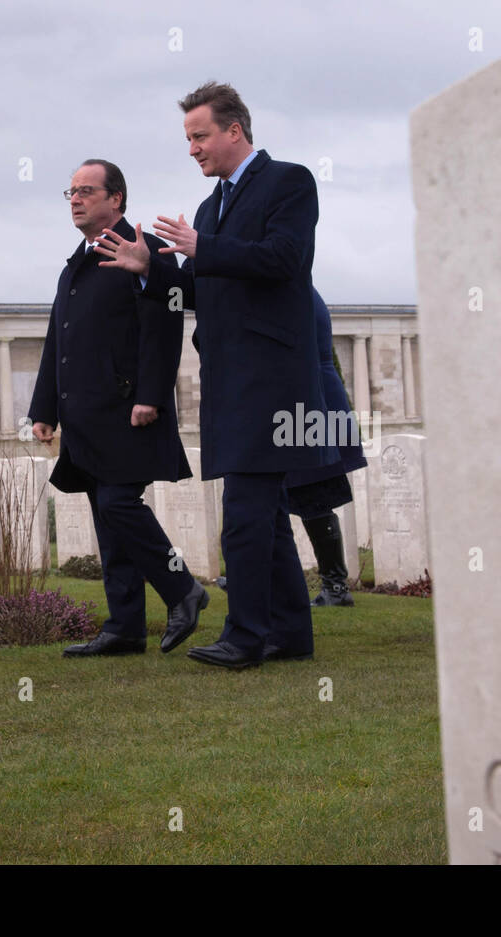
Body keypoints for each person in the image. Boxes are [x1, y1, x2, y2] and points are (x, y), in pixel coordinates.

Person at [96, 82, 337, 669]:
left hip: (274, 378)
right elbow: (199, 292)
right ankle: (291, 634)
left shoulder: (290, 182)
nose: (193, 149)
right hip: (229, 380)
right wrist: (152, 269)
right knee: (267, 515)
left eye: (200, 136)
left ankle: (245, 636)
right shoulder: (209, 208)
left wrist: (204, 246)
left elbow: (286, 260)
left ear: (235, 131)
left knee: (246, 515)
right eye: (187, 139)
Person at [29, 159, 209, 658]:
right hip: (87, 416)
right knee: (107, 519)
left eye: (87, 191)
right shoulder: (77, 263)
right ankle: (124, 628)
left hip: (131, 410)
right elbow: (57, 341)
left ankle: (183, 591)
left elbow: (166, 322)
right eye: (70, 192)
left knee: (117, 505)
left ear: (117, 199)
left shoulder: (143, 250)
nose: (75, 199)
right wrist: (44, 407)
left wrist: (152, 394)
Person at [284, 288, 367, 606]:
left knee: (312, 495)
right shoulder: (301, 289)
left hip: (308, 405)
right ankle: (333, 585)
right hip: (306, 404)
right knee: (297, 495)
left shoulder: (297, 293)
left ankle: (335, 586)